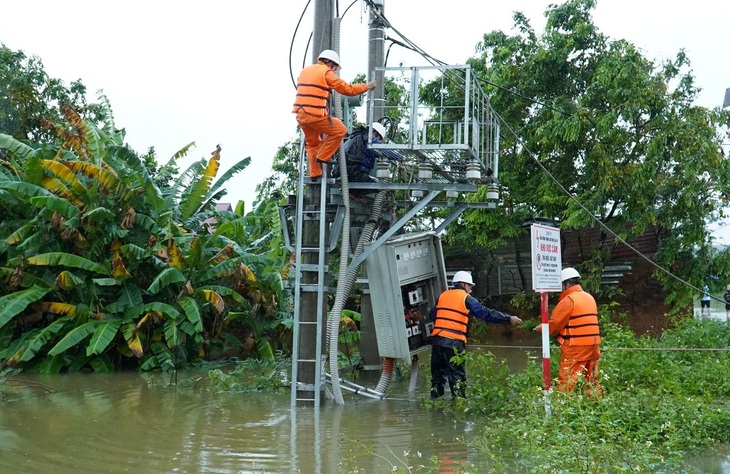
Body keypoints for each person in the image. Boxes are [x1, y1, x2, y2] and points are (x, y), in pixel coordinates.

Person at [429, 271, 522, 399]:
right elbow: (486, 313)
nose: (470, 290)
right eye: (469, 286)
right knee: (457, 378)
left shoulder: (443, 296)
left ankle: (435, 405)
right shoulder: (466, 299)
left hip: (437, 342)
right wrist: (507, 318)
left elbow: (432, 315)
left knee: (437, 378)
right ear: (462, 284)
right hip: (454, 344)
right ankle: (458, 409)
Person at [292, 49, 376, 179]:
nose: (335, 71)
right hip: (315, 114)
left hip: (301, 115)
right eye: (335, 68)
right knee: (340, 130)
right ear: (330, 63)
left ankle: (315, 173)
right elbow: (347, 89)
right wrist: (367, 86)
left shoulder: (306, 71)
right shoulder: (326, 73)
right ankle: (323, 156)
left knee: (312, 142)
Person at [535, 267, 602, 396]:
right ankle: (597, 404)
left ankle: (561, 407)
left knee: (567, 380)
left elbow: (555, 324)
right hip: (594, 346)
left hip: (576, 347)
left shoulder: (569, 300)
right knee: (592, 379)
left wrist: (541, 328)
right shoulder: (589, 297)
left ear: (566, 284)